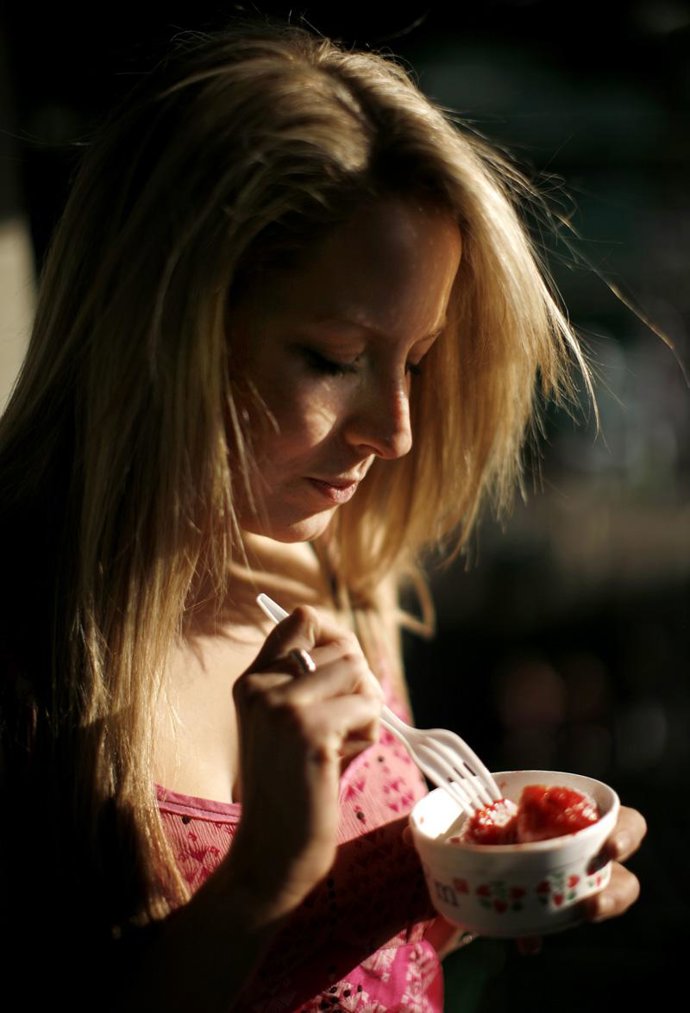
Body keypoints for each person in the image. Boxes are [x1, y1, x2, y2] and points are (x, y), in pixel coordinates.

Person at [0, 19, 646, 1012]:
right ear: (166, 327)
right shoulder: (33, 646)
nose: (396, 432)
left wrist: (500, 873)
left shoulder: (339, 573)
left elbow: (360, 960)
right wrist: (260, 878)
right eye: (336, 357)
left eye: (416, 362)